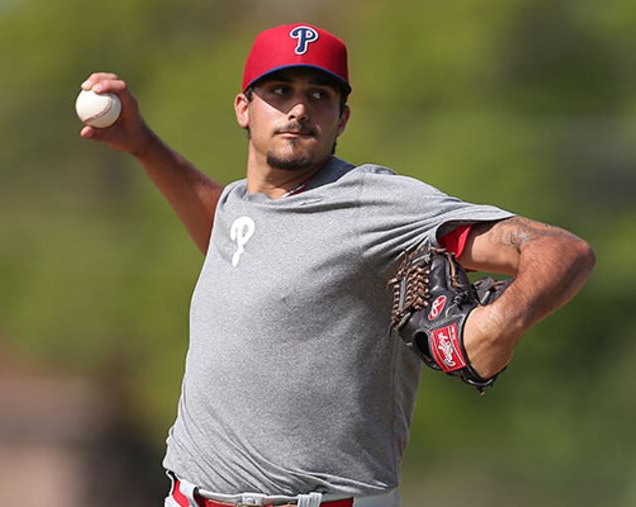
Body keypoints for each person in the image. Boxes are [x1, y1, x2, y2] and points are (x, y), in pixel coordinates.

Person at [80, 23, 595, 507]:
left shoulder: (374, 202)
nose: (299, 109)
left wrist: (500, 324)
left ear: (342, 118)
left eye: (319, 95)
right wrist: (143, 144)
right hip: (189, 494)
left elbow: (561, 249)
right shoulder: (239, 208)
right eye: (280, 90)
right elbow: (226, 230)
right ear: (243, 108)